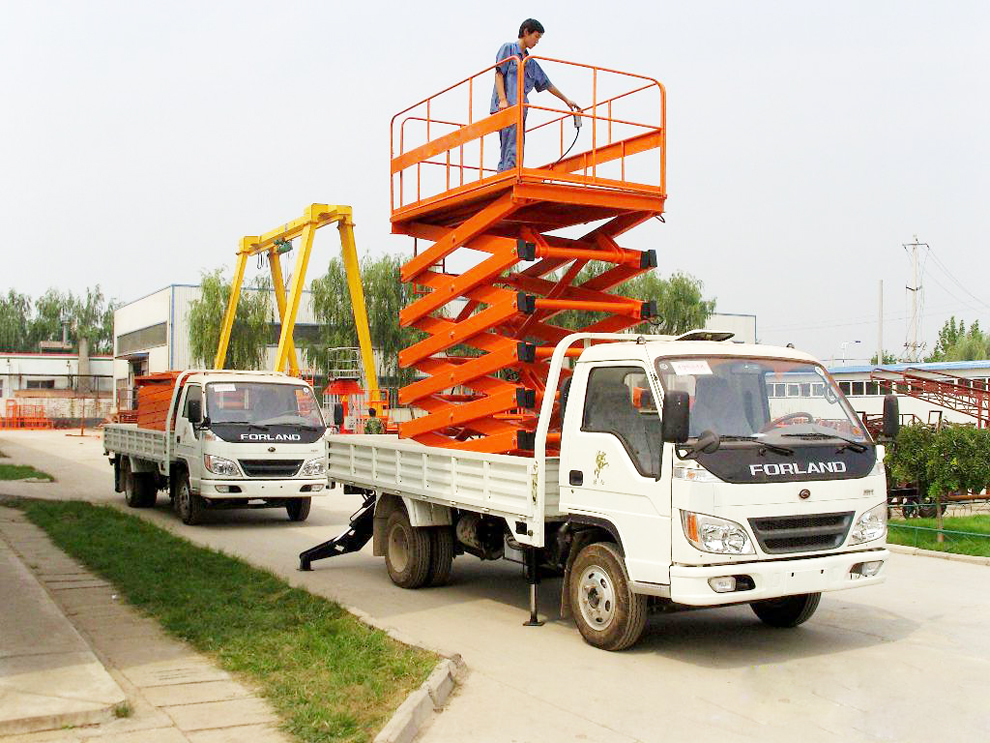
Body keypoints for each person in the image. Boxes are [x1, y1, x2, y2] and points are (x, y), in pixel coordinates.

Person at [491, 18, 580, 172]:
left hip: (521, 108)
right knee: (509, 142)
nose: (537, 41)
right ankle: (506, 173)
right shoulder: (508, 49)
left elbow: (547, 84)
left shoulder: (530, 62)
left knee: (517, 143)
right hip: (506, 106)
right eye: (536, 36)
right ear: (526, 32)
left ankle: (512, 171)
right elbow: (499, 73)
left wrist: (566, 100)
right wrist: (503, 100)